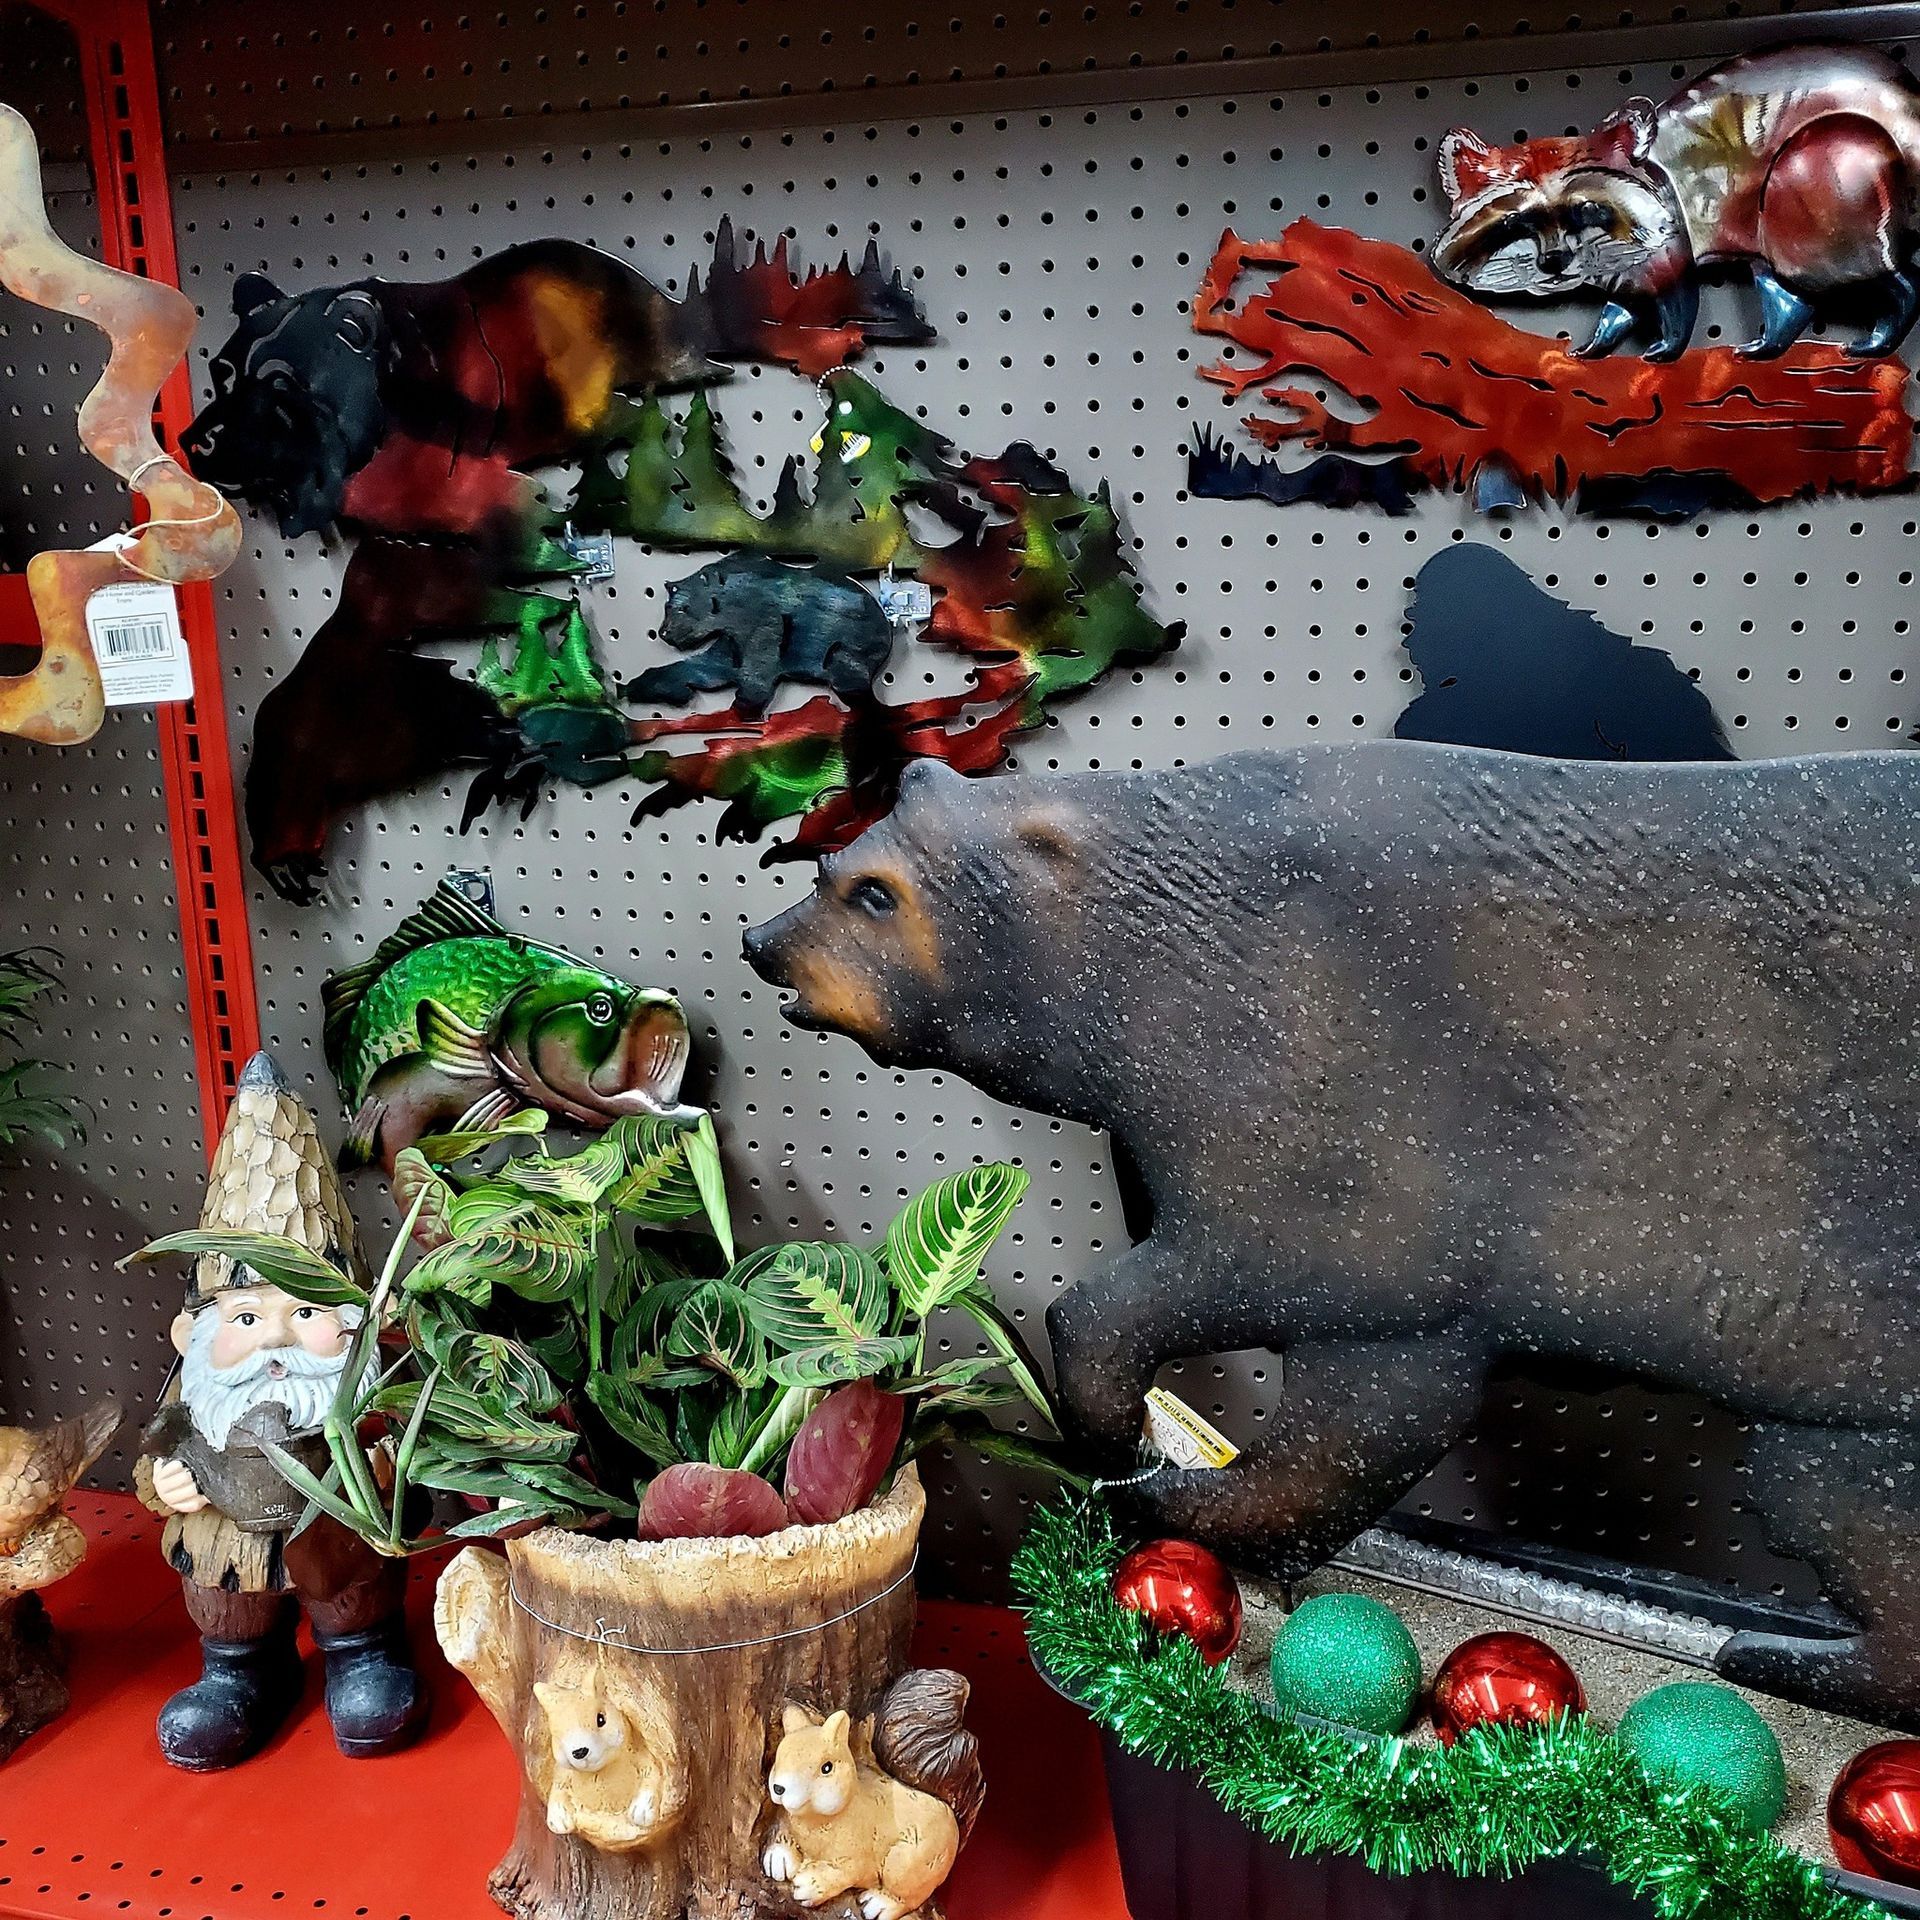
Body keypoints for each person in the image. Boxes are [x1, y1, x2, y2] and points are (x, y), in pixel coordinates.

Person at [138, 1050, 426, 1770]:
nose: (274, 1335)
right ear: (195, 1332)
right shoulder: (198, 1387)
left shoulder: (367, 1378)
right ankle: (238, 1670)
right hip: (227, 1552)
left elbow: (410, 1455)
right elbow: (159, 1453)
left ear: (363, 1316)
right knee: (227, 1604)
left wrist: (384, 1468)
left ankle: (362, 1657)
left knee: (352, 1593)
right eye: (243, 1318)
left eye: (305, 1309)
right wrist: (165, 1484)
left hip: (339, 1547)